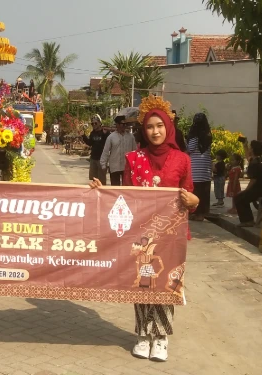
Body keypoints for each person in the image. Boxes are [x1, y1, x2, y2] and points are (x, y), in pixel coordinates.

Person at [90, 95, 198, 362]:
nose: (155, 131)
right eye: (150, 127)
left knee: (166, 284)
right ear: (143, 130)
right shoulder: (134, 159)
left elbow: (191, 196)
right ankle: (142, 334)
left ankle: (160, 337)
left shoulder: (182, 160)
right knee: (143, 282)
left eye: (159, 126)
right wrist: (102, 192)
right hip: (142, 236)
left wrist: (194, 202)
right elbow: (125, 196)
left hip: (171, 236)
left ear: (168, 128)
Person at [234, 140, 262, 227]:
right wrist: (245, 145)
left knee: (239, 198)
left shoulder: (255, 163)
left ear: (253, 149)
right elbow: (248, 157)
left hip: (261, 189)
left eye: (250, 147)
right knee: (242, 197)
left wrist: (245, 191)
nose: (249, 149)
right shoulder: (259, 159)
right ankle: (248, 220)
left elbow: (253, 180)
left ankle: (247, 221)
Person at [187, 113, 213, 221]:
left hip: (195, 168)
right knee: (204, 192)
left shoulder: (194, 135)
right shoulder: (208, 135)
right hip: (205, 169)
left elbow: (190, 149)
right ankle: (202, 214)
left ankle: (194, 213)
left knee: (196, 191)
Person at [99, 115, 137, 186]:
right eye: (122, 124)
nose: (124, 126)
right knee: (115, 188)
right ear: (117, 124)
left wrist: (135, 164)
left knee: (126, 187)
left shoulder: (130, 137)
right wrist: (103, 165)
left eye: (125, 124)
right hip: (114, 167)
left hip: (127, 167)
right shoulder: (111, 137)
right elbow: (106, 151)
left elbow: (134, 151)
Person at [83, 114, 109, 184]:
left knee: (102, 179)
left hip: (102, 159)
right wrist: (83, 136)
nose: (94, 125)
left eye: (95, 123)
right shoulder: (92, 133)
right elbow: (90, 143)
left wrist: (105, 134)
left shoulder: (105, 132)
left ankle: (102, 193)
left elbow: (108, 143)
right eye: (92, 124)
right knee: (94, 178)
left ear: (100, 123)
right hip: (93, 158)